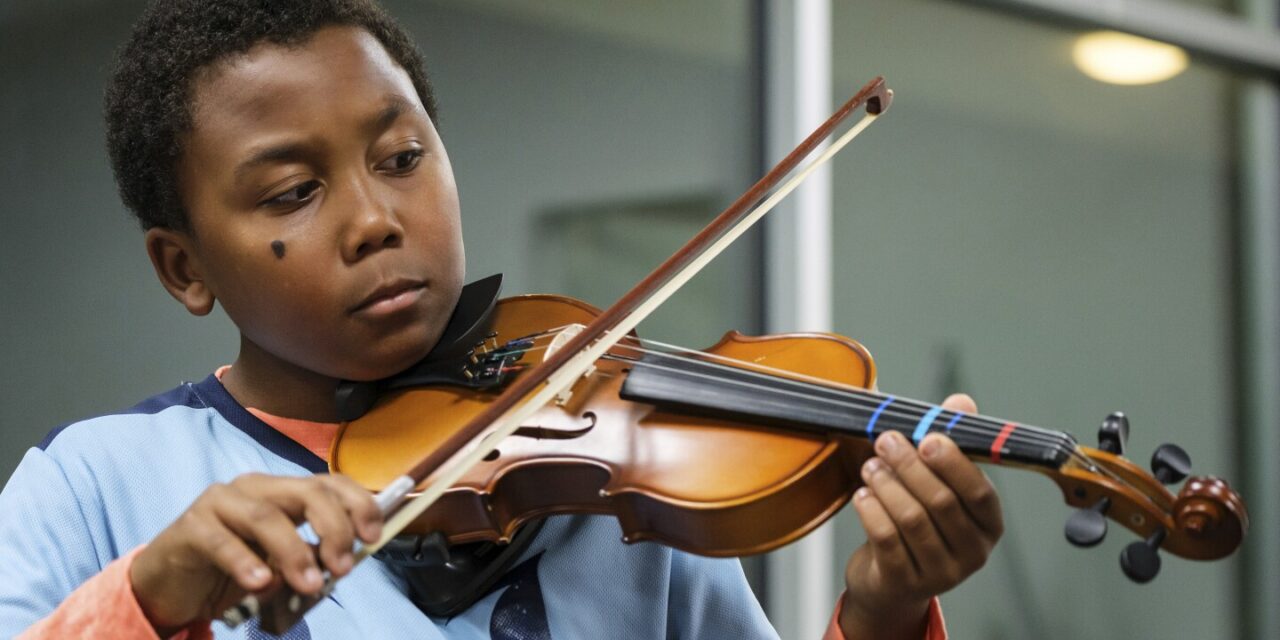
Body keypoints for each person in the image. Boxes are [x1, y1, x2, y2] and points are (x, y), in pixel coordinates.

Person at [0, 1, 1003, 638]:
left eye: (401, 158)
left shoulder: (605, 484)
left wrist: (880, 615)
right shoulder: (95, 483)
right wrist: (150, 600)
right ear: (184, 267)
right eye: (294, 192)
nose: (375, 221)